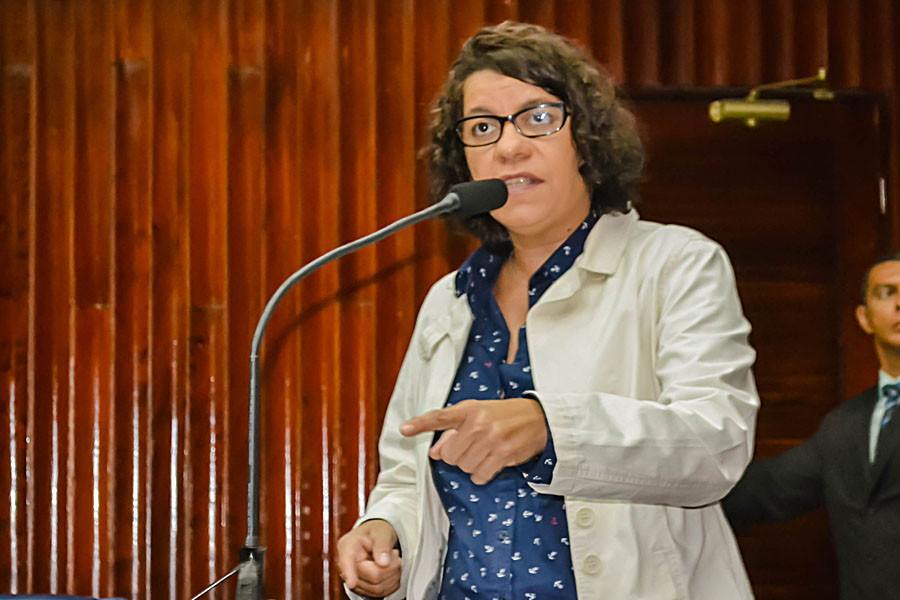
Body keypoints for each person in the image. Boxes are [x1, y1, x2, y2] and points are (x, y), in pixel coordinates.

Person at [337, 21, 759, 600]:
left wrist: (550, 428)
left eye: (537, 117)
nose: (509, 146)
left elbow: (716, 445)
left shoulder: (675, 263)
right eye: (482, 127)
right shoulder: (449, 300)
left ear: (585, 138)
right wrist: (385, 533)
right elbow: (408, 475)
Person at [722, 252, 900, 600]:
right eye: (887, 292)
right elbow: (768, 490)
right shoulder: (844, 423)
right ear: (864, 318)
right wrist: (667, 490)